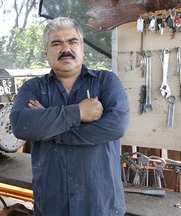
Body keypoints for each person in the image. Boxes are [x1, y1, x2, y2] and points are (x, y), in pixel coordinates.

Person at [10, 17, 130, 216]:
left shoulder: (106, 81)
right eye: (56, 43)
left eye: (72, 41)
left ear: (82, 48)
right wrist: (79, 112)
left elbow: (116, 127)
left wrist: (51, 130)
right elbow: (21, 125)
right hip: (52, 204)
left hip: (100, 204)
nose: (66, 48)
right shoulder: (33, 88)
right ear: (46, 53)